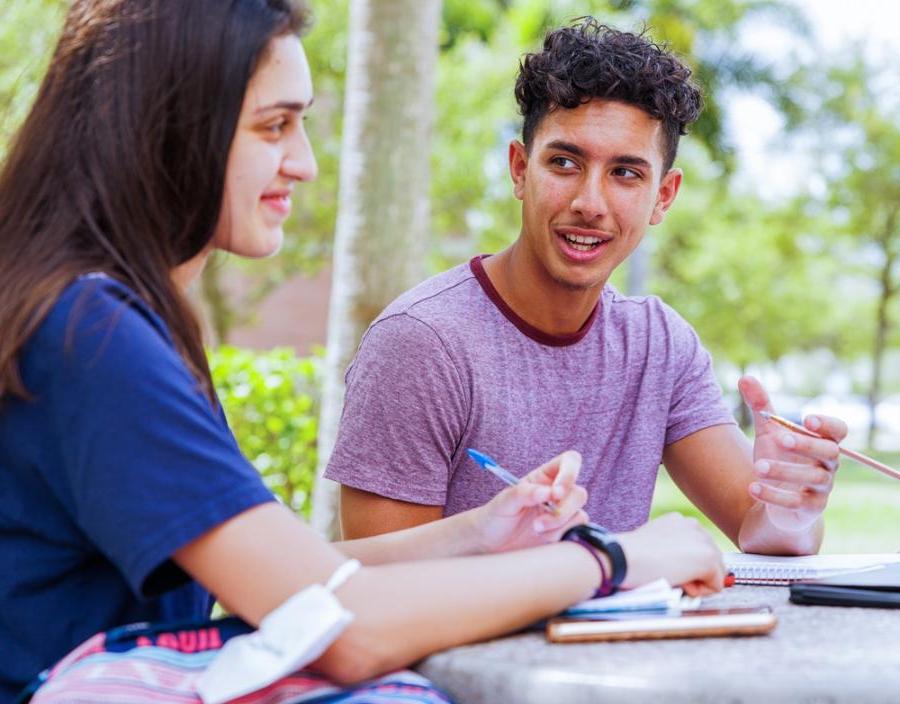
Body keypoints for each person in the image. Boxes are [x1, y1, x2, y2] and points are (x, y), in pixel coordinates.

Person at [0, 2, 728, 701]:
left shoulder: (92, 313)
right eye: (274, 126)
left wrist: (483, 531)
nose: (304, 164)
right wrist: (617, 559)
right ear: (168, 128)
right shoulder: (91, 334)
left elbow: (300, 582)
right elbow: (341, 630)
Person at [324, 19, 848, 555]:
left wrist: (791, 506)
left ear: (663, 196)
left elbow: (763, 532)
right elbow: (374, 590)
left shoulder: (658, 345)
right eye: (565, 162)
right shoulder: (422, 344)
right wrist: (595, 567)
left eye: (625, 173)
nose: (590, 203)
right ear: (519, 169)